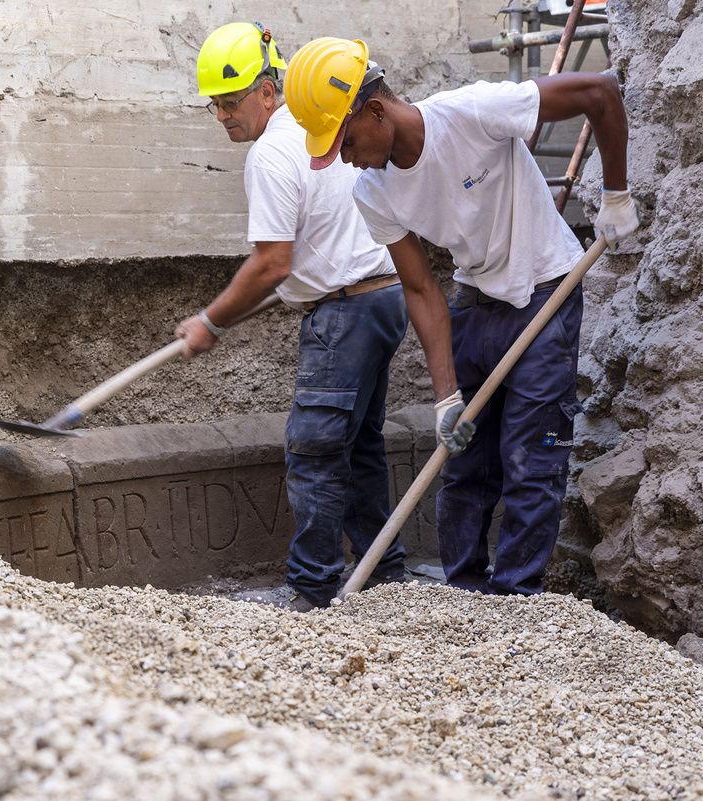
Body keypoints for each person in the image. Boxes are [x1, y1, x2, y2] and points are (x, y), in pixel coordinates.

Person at [283, 38, 642, 596]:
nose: (344, 158)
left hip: (546, 290)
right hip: (476, 302)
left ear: (374, 110)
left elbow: (600, 90)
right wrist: (446, 395)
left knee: (530, 460)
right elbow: (422, 289)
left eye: (345, 140)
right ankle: (465, 598)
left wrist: (616, 194)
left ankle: (517, 602)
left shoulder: (471, 113)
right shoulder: (373, 192)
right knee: (464, 463)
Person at [176, 23, 411, 611]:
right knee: (357, 447)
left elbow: (271, 263)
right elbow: (298, 255)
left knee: (314, 448)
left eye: (231, 102)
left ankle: (310, 588)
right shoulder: (317, 127)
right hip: (383, 296)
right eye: (215, 106)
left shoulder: (271, 154)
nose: (224, 115)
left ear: (266, 89)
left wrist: (210, 320)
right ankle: (387, 574)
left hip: (347, 310)